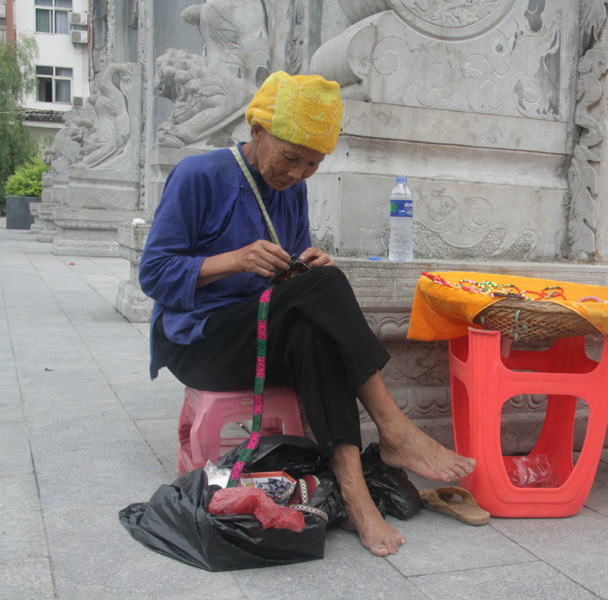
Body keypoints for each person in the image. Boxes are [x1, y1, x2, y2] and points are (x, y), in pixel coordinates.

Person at [139, 71, 475, 556]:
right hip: (199, 340)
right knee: (324, 292)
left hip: (261, 331)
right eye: (290, 157)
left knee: (317, 328)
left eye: (312, 165)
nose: (295, 174)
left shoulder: (290, 189)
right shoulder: (200, 176)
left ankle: (354, 491)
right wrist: (235, 261)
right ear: (257, 131)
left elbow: (292, 282)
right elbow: (154, 272)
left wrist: (305, 266)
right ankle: (395, 428)